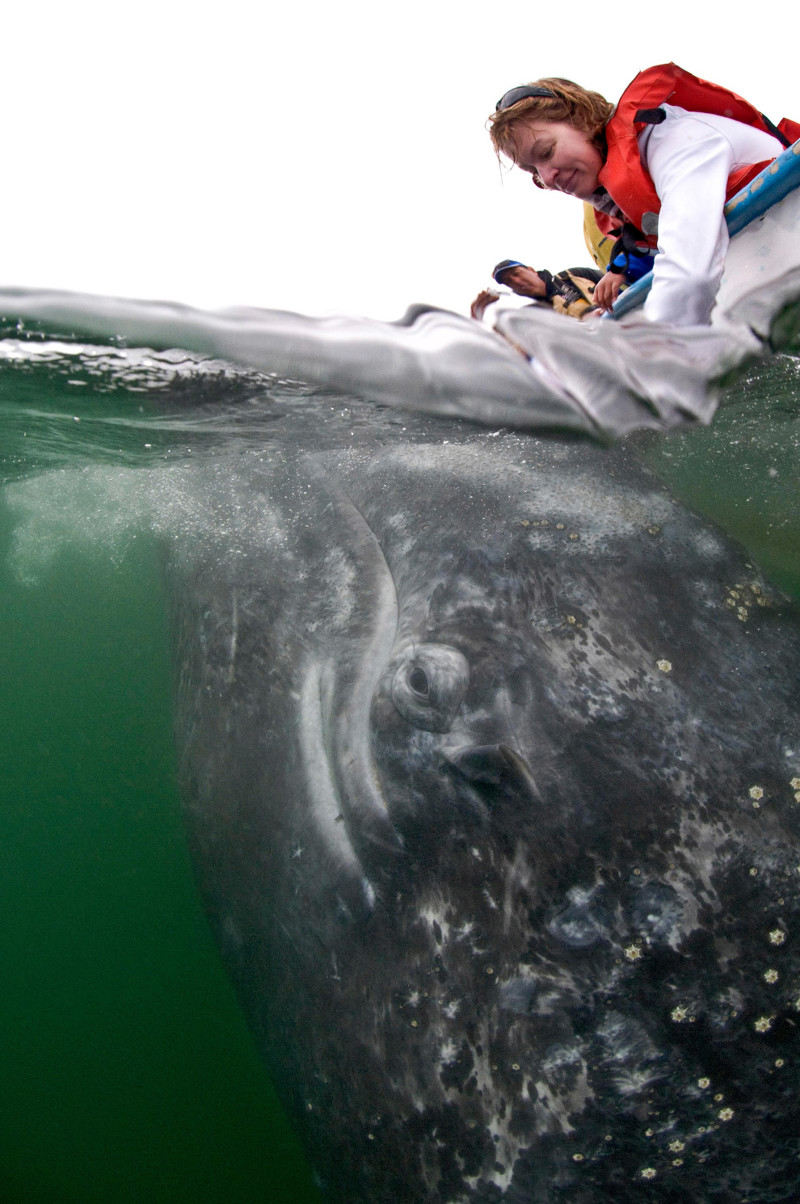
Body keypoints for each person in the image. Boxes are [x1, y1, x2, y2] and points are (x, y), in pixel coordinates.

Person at [488, 63, 800, 325]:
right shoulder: (627, 209)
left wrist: (643, 368)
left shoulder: (676, 139)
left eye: (546, 151)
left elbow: (688, 271)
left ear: (581, 120)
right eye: (533, 173)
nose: (547, 177)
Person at [471, 259, 602, 320]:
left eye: (516, 274)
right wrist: (479, 316)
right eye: (508, 282)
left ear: (532, 270)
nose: (516, 281)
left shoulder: (572, 275)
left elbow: (619, 284)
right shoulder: (531, 315)